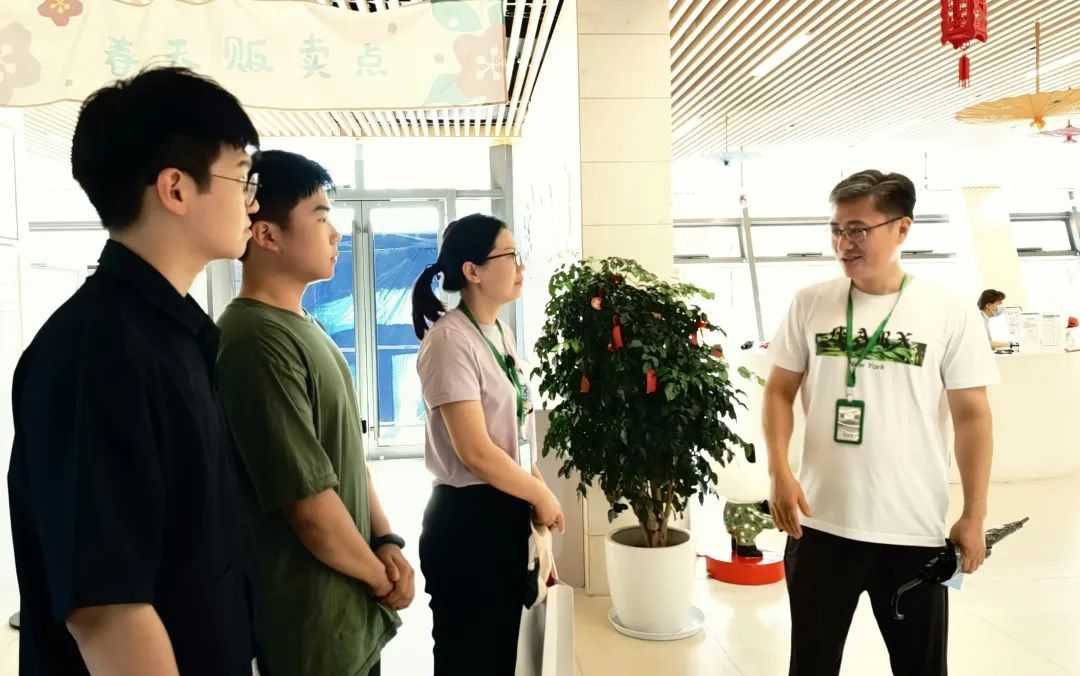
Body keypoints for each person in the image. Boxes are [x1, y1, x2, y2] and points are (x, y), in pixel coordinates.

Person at [8, 67, 264, 675]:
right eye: (242, 177)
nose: (252, 201)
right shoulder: (95, 353)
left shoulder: (173, 336)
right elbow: (108, 610)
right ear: (176, 188)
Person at [764, 170, 999, 676]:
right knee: (811, 665)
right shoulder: (810, 302)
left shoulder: (949, 311)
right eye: (836, 230)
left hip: (912, 529)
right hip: (819, 525)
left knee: (921, 667)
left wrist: (974, 514)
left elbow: (973, 418)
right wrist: (779, 471)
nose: (843, 244)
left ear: (902, 228)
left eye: (857, 229)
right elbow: (779, 391)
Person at [216, 150, 408, 676]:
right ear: (266, 235)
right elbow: (308, 506)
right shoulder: (254, 339)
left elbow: (346, 456)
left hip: (346, 610)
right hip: (310, 627)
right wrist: (379, 577)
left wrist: (385, 539)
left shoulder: (300, 323)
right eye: (320, 218)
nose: (336, 234)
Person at [411, 214, 564, 676]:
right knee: (469, 659)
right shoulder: (448, 341)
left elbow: (513, 432)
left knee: (502, 654)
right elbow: (475, 451)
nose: (521, 266)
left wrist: (535, 490)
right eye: (510, 255)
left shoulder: (500, 332)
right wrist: (542, 495)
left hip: (505, 511)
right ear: (472, 271)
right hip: (468, 523)